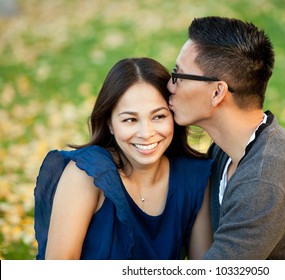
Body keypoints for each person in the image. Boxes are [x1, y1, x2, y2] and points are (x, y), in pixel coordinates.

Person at [167, 16, 285, 259]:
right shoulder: (226, 151)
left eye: (179, 75)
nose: (170, 85)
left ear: (217, 92)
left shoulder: (264, 179)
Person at [34, 57, 213, 260]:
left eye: (159, 116)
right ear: (110, 124)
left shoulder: (195, 178)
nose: (146, 133)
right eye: (130, 119)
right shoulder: (87, 173)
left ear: (174, 116)